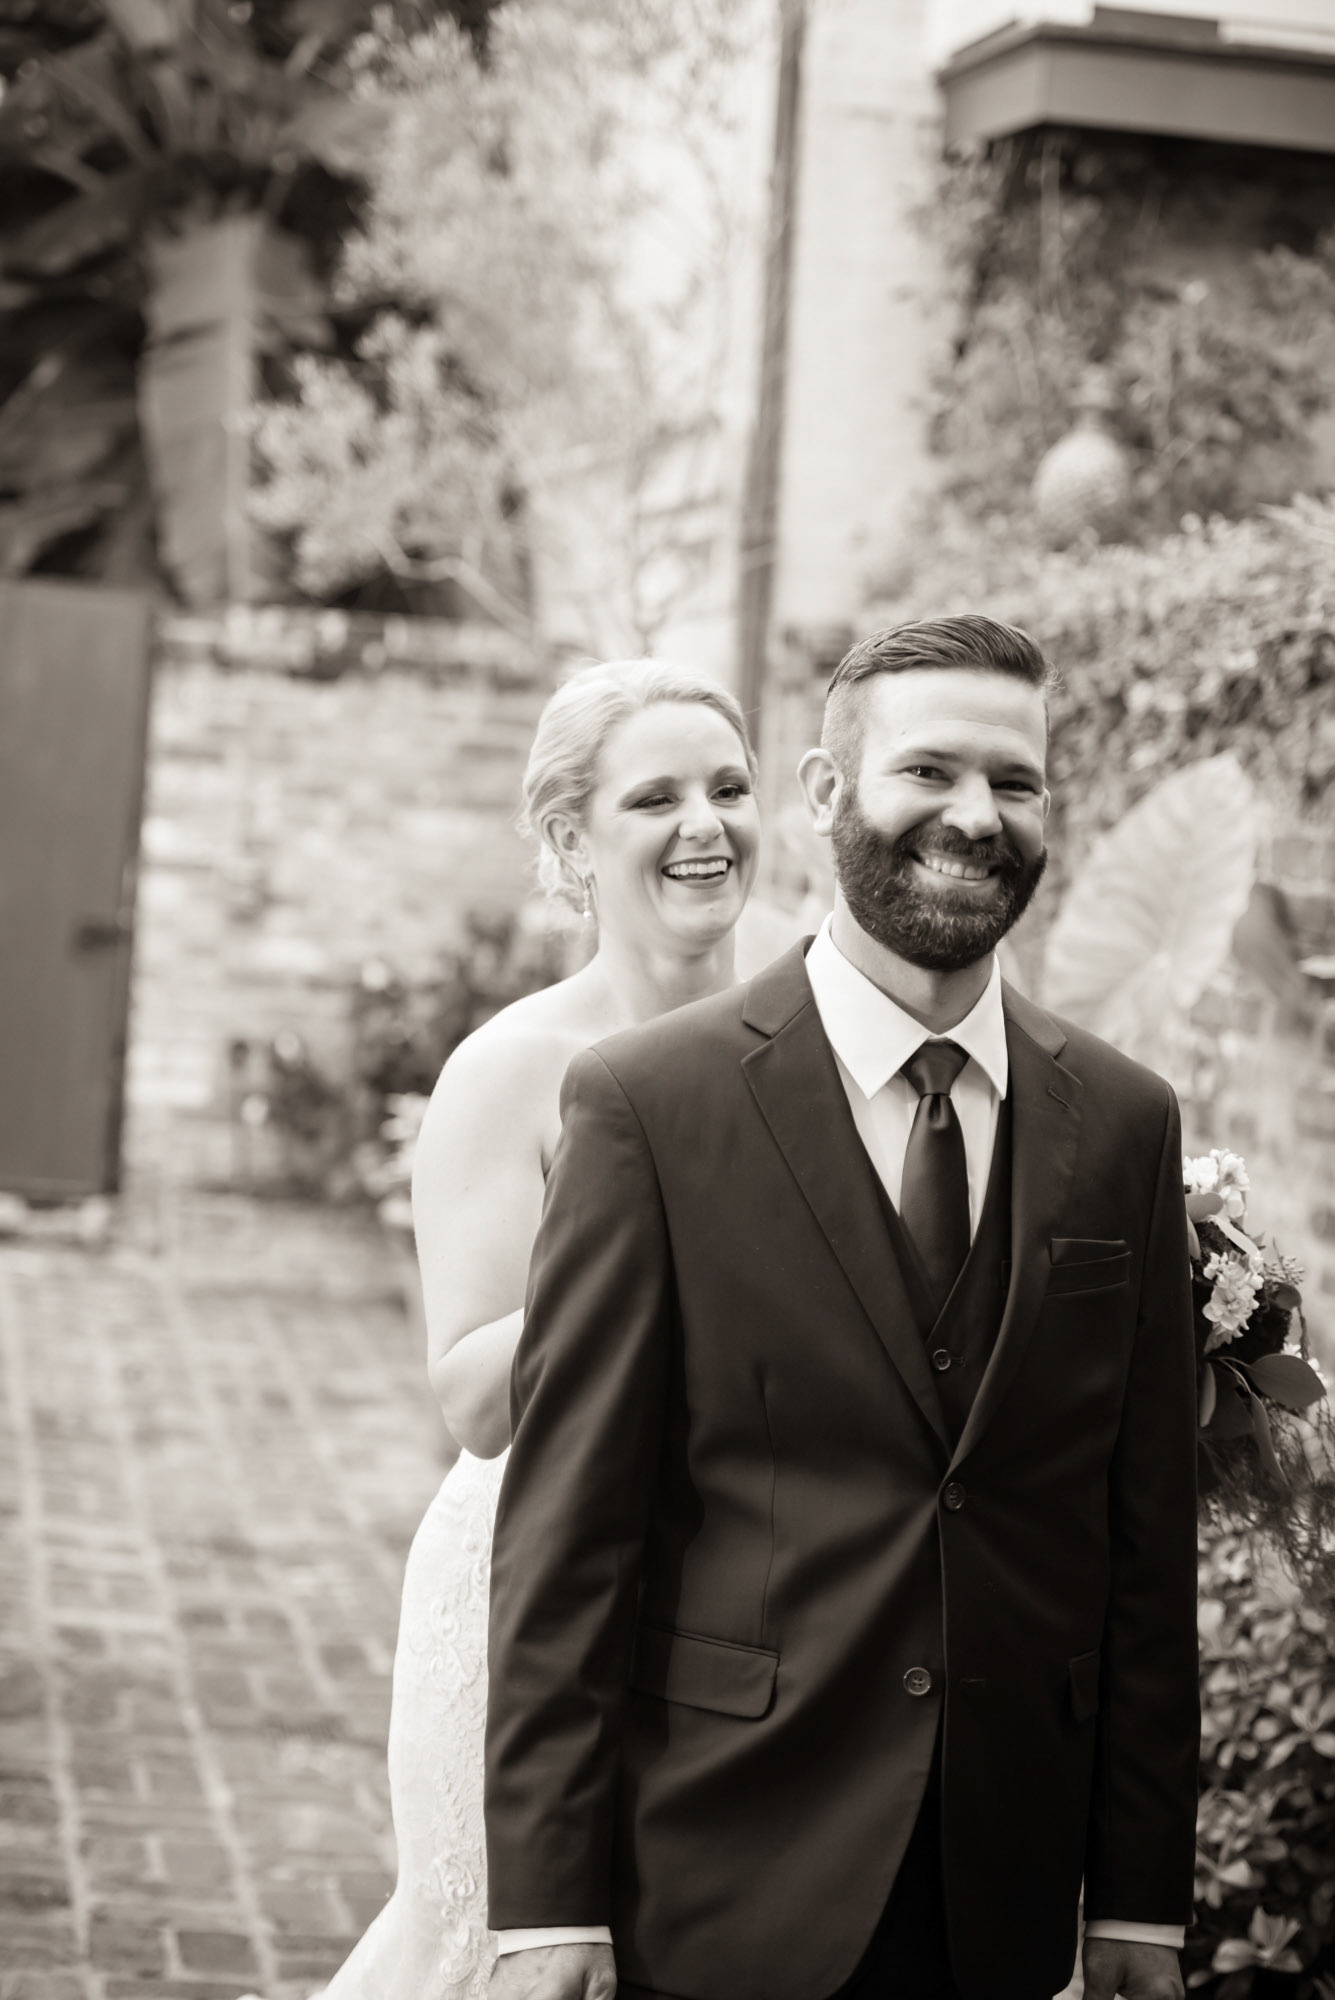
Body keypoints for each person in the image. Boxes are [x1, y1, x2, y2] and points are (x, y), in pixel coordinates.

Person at [484, 616, 1201, 2000]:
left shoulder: (1126, 1122)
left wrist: (1141, 1903)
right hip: (724, 1872)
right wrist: (544, 1907)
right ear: (823, 796)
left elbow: (1141, 1546)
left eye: (1018, 782)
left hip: (1002, 1891)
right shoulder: (650, 1108)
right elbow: (569, 1540)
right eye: (927, 770)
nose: (976, 817)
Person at [311, 658, 761, 2000]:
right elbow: (473, 1396)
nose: (706, 826)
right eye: (656, 797)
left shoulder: (821, 1034)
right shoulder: (515, 1069)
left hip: (749, 1579)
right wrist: (652, 1262)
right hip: (531, 1578)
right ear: (571, 840)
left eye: (730, 788)